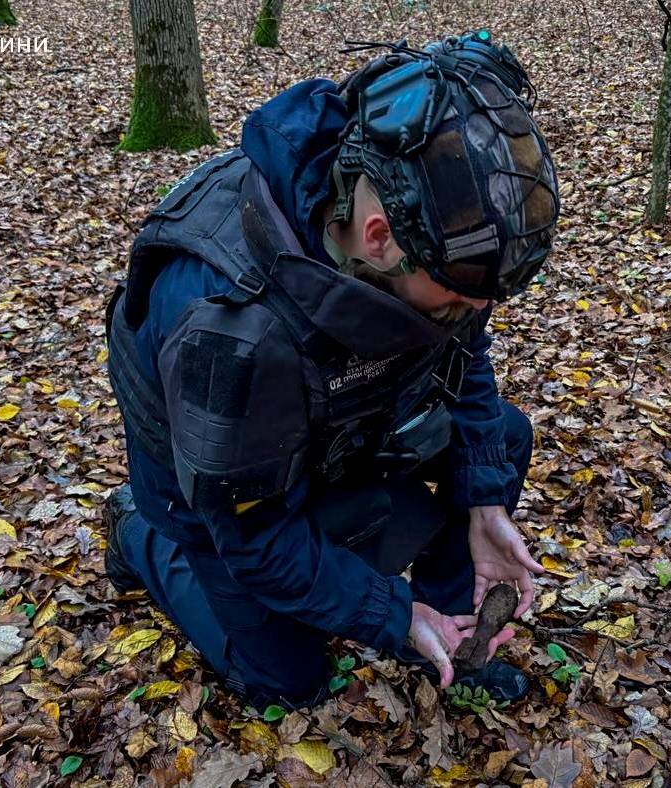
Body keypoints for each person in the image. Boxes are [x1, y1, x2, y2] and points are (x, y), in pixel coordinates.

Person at [103, 31, 560, 710]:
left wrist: (484, 500)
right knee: (287, 686)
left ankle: (447, 636)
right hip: (218, 490)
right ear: (378, 239)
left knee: (503, 436)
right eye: (463, 299)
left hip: (328, 416)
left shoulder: (432, 226)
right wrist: (386, 613)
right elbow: (254, 537)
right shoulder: (232, 331)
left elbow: (462, 357)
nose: (477, 312)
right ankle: (135, 531)